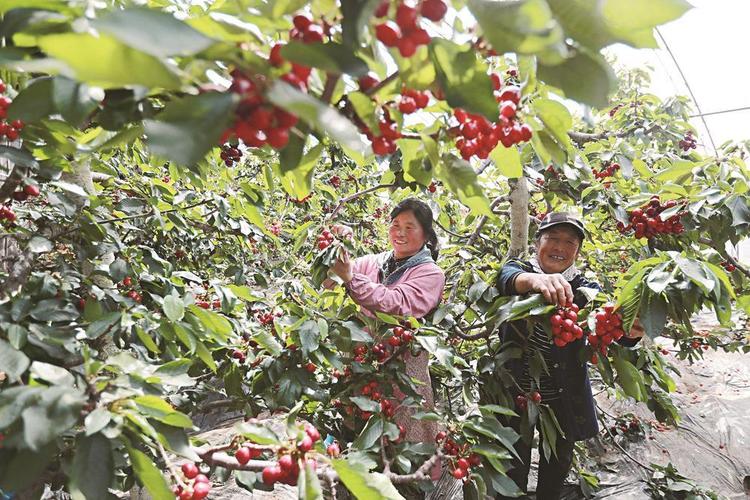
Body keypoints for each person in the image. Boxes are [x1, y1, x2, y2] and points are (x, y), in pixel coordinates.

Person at [488, 212, 644, 500]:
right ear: (537, 243)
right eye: (552, 239)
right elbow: (506, 278)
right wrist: (534, 281)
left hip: (563, 398)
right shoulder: (520, 270)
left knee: (557, 468)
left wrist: (630, 332)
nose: (560, 247)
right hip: (515, 393)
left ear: (578, 251)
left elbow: (609, 326)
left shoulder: (586, 290)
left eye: (569, 242)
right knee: (511, 464)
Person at [327, 197, 445, 477]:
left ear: (426, 235)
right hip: (362, 368)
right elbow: (330, 278)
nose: (400, 233)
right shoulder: (373, 262)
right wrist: (335, 246)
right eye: (395, 225)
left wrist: (350, 278)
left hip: (403, 375)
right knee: (359, 443)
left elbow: (396, 303)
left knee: (404, 444)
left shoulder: (431, 273)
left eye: (409, 226)